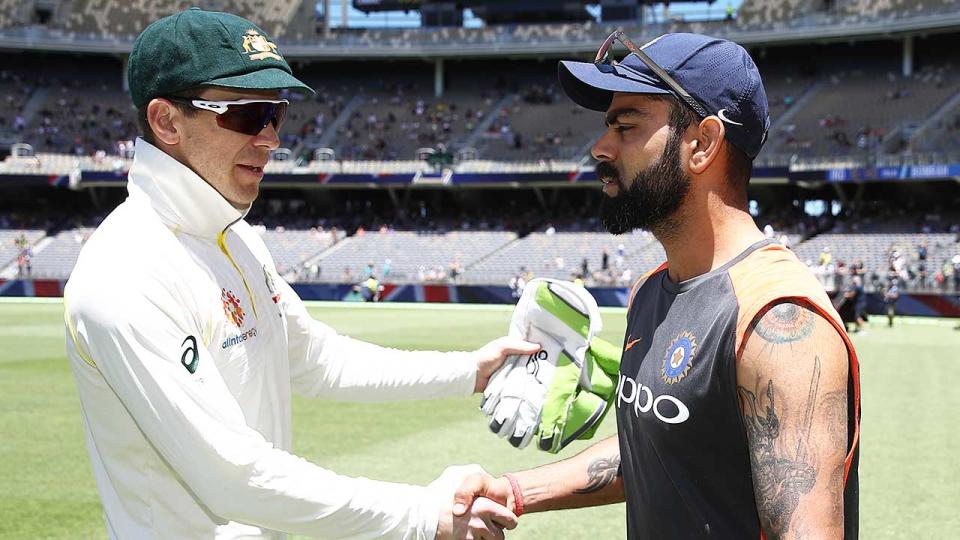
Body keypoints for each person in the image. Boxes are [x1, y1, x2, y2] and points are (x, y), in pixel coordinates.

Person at [63, 8, 530, 539]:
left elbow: (316, 359)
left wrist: (471, 371)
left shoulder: (236, 237)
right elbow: (231, 477)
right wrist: (422, 517)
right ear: (166, 121)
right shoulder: (125, 271)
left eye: (275, 114)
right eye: (244, 115)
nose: (270, 139)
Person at [453, 31, 861, 538]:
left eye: (625, 126)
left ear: (703, 143)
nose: (599, 148)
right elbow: (662, 447)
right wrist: (514, 492)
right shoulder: (653, 290)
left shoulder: (778, 320)